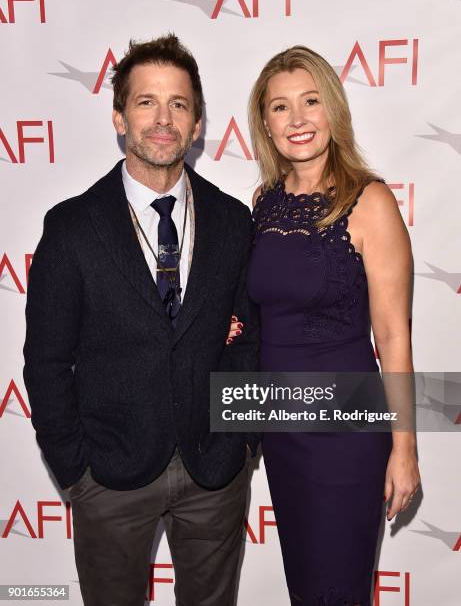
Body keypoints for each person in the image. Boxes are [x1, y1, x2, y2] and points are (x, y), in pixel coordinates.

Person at [23, 34, 259, 606]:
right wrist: (75, 471)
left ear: (198, 124)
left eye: (178, 104)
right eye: (146, 102)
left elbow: (248, 342)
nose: (163, 118)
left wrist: (241, 442)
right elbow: (47, 361)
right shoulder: (72, 227)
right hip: (108, 474)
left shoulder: (232, 222)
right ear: (119, 118)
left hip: (214, 472)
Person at [228, 46, 421, 605]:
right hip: (282, 429)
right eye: (281, 107)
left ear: (333, 110)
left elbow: (393, 338)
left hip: (346, 434)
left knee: (337, 588)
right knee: (306, 585)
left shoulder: (371, 202)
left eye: (310, 101)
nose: (298, 119)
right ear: (264, 122)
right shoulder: (263, 203)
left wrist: (404, 449)